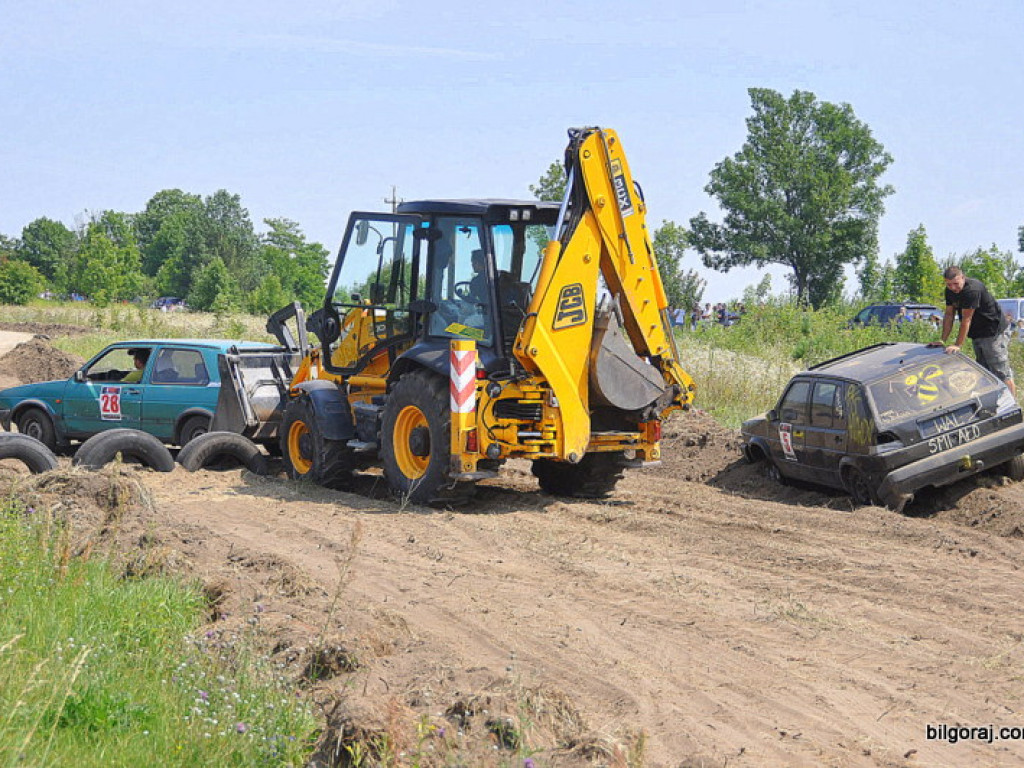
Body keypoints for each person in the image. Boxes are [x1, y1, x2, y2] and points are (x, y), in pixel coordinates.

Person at [931, 266, 1015, 396]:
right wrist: (943, 340)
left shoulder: (972, 290)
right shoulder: (949, 292)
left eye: (956, 283)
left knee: (1000, 371)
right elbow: (949, 315)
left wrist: (958, 345)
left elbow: (966, 319)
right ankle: (993, 403)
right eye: (949, 284)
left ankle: (1012, 406)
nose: (953, 287)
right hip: (978, 333)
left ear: (963, 278)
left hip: (993, 332)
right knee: (984, 371)